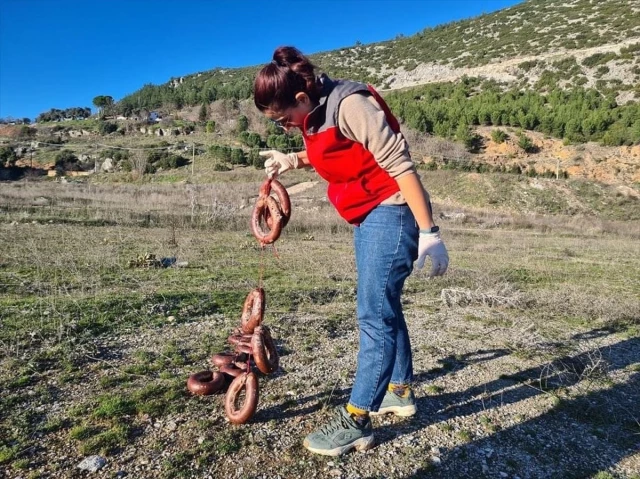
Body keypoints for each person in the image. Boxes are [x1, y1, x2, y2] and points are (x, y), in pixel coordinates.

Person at [254, 46, 449, 457]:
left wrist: (430, 231)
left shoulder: (352, 104)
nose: (286, 127)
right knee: (385, 306)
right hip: (365, 215)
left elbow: (401, 166)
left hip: (392, 213)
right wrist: (292, 159)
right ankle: (400, 391)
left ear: (302, 99)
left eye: (283, 119)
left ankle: (357, 419)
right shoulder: (317, 112)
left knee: (373, 314)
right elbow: (340, 152)